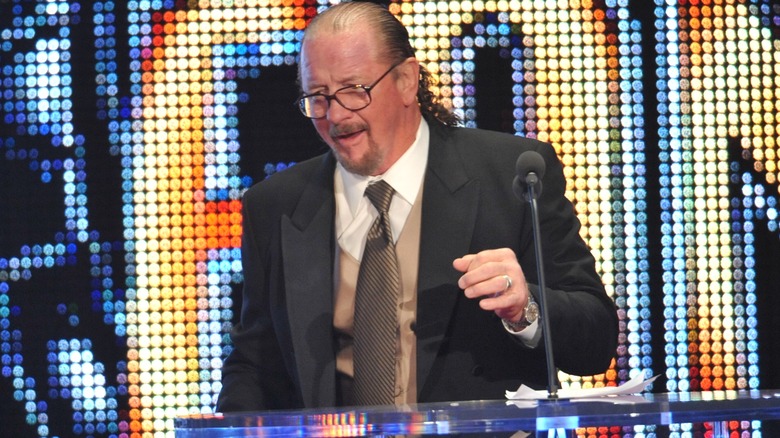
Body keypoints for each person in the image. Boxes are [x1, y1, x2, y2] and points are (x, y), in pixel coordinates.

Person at [217, 1, 617, 412]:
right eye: (318, 97)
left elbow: (595, 342)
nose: (335, 116)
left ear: (407, 79)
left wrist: (525, 307)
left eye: (355, 91)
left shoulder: (510, 177)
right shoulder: (276, 204)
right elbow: (255, 365)